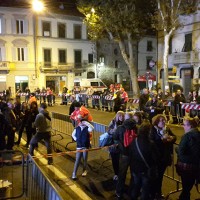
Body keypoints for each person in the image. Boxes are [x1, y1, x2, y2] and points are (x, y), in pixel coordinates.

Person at [129, 121, 160, 200]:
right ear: (148, 131)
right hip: (146, 170)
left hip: (135, 168)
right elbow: (155, 157)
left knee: (136, 186)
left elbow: (131, 154)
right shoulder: (150, 143)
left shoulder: (134, 141)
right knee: (145, 189)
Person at [150, 114, 177, 199]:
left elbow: (175, 137)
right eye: (161, 120)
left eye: (164, 120)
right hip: (156, 158)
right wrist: (162, 140)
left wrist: (171, 138)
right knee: (155, 177)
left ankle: (158, 192)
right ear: (156, 122)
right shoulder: (152, 130)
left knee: (160, 176)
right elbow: (151, 143)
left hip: (164, 157)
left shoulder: (167, 129)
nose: (164, 122)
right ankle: (153, 193)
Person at [176, 117, 200, 200]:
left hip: (187, 167)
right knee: (188, 186)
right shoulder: (198, 134)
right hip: (196, 166)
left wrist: (177, 149)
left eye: (184, 124)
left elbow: (181, 152)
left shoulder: (187, 136)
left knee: (186, 187)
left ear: (190, 126)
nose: (183, 126)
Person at [113, 118, 137, 198]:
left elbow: (115, 137)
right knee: (133, 174)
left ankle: (119, 191)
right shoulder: (136, 129)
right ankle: (131, 191)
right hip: (133, 155)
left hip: (124, 154)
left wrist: (119, 146)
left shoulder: (120, 128)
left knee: (122, 174)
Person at [107, 111, 125, 181]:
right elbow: (108, 131)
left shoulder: (124, 123)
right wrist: (113, 131)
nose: (121, 117)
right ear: (117, 116)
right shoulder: (113, 122)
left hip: (121, 145)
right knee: (115, 160)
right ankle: (116, 174)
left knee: (121, 161)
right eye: (120, 116)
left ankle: (121, 174)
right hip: (113, 144)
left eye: (122, 116)